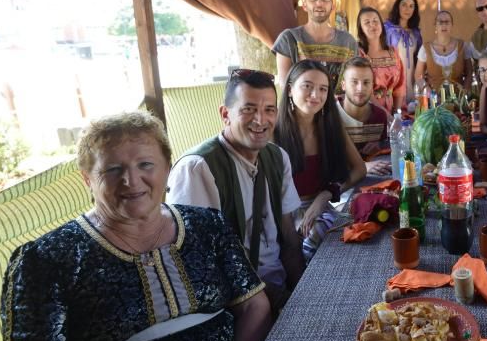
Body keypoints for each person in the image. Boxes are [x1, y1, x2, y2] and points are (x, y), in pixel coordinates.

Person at [1, 111, 271, 341]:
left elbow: (254, 307)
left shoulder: (207, 226)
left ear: (166, 168)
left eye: (146, 163)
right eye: (112, 170)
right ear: (87, 179)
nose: (131, 180)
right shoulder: (48, 260)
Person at [168, 69, 305, 313]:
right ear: (225, 114)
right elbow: (197, 261)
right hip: (236, 303)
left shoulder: (277, 157)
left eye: (269, 110)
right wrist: (269, 298)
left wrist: (303, 288)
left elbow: (289, 235)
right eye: (248, 109)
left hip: (279, 285)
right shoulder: (197, 168)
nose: (261, 120)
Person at [274, 60, 366, 261]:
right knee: (310, 242)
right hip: (284, 215)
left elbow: (359, 169)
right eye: (307, 86)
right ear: (290, 90)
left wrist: (326, 194)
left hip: (321, 208)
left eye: (323, 89)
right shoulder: (274, 133)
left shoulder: (331, 126)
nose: (315, 95)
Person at [272, 0, 359, 89]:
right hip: (301, 105)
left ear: (333, 6)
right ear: (304, 5)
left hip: (339, 105)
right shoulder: (289, 39)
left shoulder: (348, 42)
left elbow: (355, 83)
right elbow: (285, 85)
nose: (319, 3)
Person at [338, 57, 392, 176]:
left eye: (366, 82)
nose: (360, 88)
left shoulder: (379, 116)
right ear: (343, 85)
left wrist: (377, 147)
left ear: (372, 86)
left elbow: (381, 153)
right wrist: (362, 166)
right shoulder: (330, 115)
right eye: (354, 82)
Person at [356, 6, 405, 113]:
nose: (372, 25)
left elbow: (400, 86)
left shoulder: (393, 52)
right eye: (367, 22)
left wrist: (397, 113)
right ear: (361, 29)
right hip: (367, 110)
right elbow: (362, 89)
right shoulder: (359, 54)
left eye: (375, 21)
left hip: (391, 110)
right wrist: (385, 115)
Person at [414, 9, 473, 91]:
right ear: (435, 26)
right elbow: (418, 76)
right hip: (434, 101)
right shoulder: (425, 48)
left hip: (459, 101)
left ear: (452, 25)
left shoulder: (463, 46)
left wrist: (464, 93)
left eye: (447, 22)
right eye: (440, 22)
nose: (444, 25)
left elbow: (469, 74)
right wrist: (430, 95)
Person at [383, 0, 422, 103]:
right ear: (397, 7)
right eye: (404, 5)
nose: (407, 9)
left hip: (412, 82)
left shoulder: (416, 33)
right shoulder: (387, 29)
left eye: (411, 6)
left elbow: (419, 59)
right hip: (394, 82)